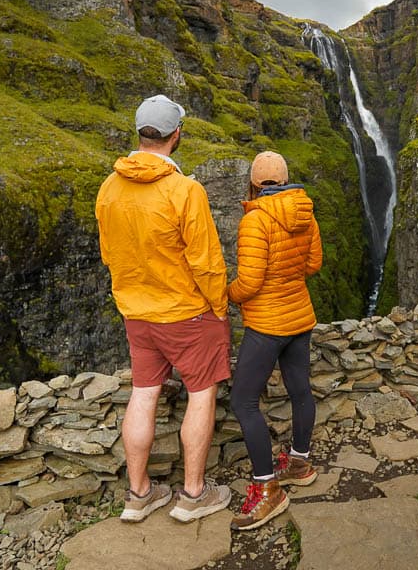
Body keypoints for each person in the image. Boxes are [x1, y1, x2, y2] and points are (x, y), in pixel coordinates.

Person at [95, 94, 232, 524]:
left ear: (139, 133)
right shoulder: (184, 191)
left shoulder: (108, 188)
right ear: (177, 135)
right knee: (201, 393)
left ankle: (138, 495)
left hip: (137, 313)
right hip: (187, 312)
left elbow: (107, 254)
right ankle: (193, 495)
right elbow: (207, 261)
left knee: (143, 393)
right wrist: (220, 309)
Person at [227, 151, 323, 531]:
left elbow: (249, 283)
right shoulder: (305, 211)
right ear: (285, 178)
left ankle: (267, 489)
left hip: (268, 325)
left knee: (243, 401)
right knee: (300, 390)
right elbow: (313, 264)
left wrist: (225, 294)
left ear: (254, 183)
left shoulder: (255, 220)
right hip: (300, 317)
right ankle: (299, 462)